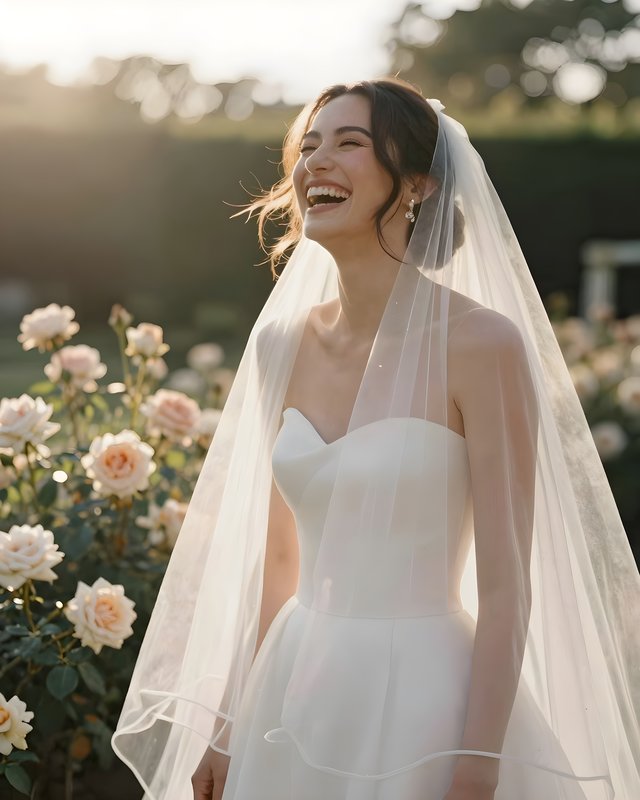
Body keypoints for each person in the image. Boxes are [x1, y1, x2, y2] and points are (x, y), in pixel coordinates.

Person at [112, 79, 640, 800]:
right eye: (311, 145)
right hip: (293, 691)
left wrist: (478, 760)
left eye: (350, 143)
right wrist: (230, 720)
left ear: (416, 183)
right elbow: (280, 559)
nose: (316, 163)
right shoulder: (280, 345)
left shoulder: (483, 344)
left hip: (428, 700)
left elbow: (507, 581)